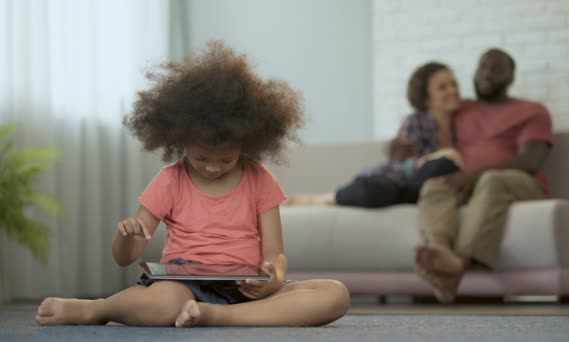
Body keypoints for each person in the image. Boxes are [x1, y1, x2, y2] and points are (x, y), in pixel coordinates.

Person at [35, 41, 350, 327]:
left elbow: (275, 254)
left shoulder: (259, 178)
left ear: (247, 142)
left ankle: (219, 316)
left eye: (226, 159)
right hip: (183, 286)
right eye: (201, 158)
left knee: (334, 294)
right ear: (180, 139)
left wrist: (272, 277)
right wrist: (125, 236)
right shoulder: (170, 180)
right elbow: (125, 257)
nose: (213, 167)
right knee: (165, 303)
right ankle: (96, 310)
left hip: (247, 290)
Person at [414, 48, 553, 303]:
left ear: (511, 77)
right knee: (436, 184)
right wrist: (398, 144)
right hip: (473, 187)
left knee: (492, 179)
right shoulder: (463, 109)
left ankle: (458, 263)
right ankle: (440, 252)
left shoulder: (532, 110)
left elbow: (531, 160)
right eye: (482, 67)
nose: (486, 74)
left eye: (496, 68)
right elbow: (425, 120)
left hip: (521, 185)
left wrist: (475, 175)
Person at [286, 62, 462, 208]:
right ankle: (320, 199)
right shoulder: (415, 121)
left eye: (454, 84)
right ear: (426, 97)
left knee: (444, 167)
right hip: (395, 181)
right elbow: (400, 165)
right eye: (442, 87)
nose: (452, 90)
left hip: (430, 190)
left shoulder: (464, 124)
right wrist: (435, 158)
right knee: (379, 191)